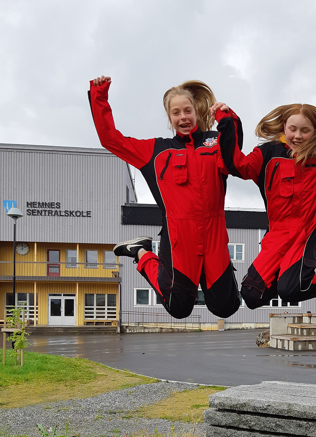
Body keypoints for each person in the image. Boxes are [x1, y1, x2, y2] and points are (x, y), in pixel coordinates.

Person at [89, 76, 240, 320]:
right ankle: (142, 252)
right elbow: (110, 139)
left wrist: (228, 116)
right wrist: (99, 96)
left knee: (226, 307)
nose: (183, 117)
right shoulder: (155, 151)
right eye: (176, 112)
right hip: (179, 237)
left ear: (195, 110)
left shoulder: (214, 142)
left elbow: (233, 154)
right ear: (169, 118)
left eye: (187, 110)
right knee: (178, 308)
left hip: (214, 232)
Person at [214, 92, 316, 309]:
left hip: (305, 235)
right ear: (284, 128)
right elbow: (235, 165)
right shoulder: (268, 154)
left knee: (290, 290)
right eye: (293, 129)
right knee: (252, 295)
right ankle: (286, 278)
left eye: (305, 130)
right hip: (276, 236)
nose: (297, 136)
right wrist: (227, 122)